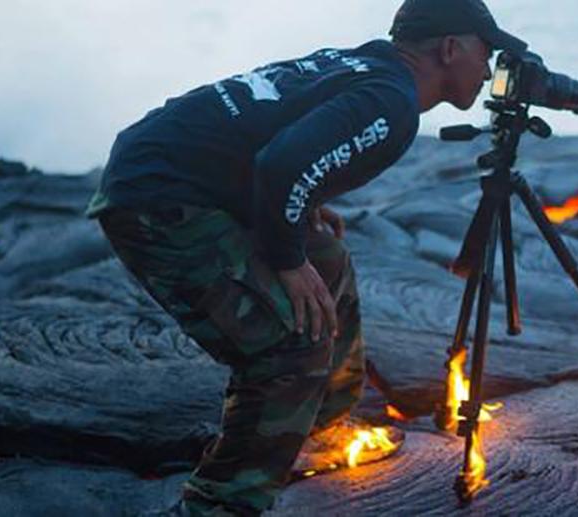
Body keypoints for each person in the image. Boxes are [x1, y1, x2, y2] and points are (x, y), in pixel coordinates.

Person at [84, 0, 526, 515]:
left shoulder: (361, 64)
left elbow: (273, 130)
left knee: (327, 257)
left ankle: (322, 428)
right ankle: (220, 504)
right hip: (158, 200)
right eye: (486, 50)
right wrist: (287, 260)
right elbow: (279, 164)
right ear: (450, 49)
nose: (490, 66)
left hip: (168, 168)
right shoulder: (393, 102)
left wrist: (306, 208)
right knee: (288, 347)